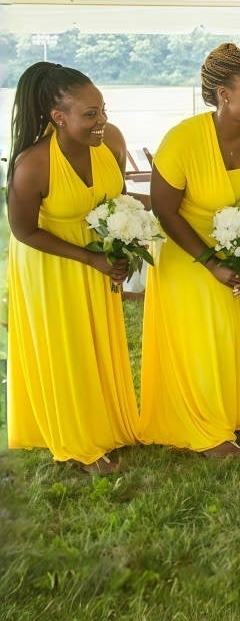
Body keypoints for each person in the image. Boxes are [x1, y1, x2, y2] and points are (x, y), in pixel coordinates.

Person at [139, 44, 240, 458]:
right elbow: (164, 210)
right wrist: (212, 263)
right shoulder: (182, 139)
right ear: (224, 95)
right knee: (204, 337)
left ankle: (234, 413)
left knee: (235, 337)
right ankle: (207, 430)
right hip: (188, 253)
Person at [5, 63, 138, 472]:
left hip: (98, 256)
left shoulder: (111, 140)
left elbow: (119, 196)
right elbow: (23, 230)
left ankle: (109, 423)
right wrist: (90, 257)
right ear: (57, 117)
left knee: (96, 343)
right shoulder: (34, 163)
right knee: (66, 348)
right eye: (90, 114)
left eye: (103, 110)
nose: (102, 121)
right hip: (50, 264)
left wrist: (123, 244)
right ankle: (77, 443)